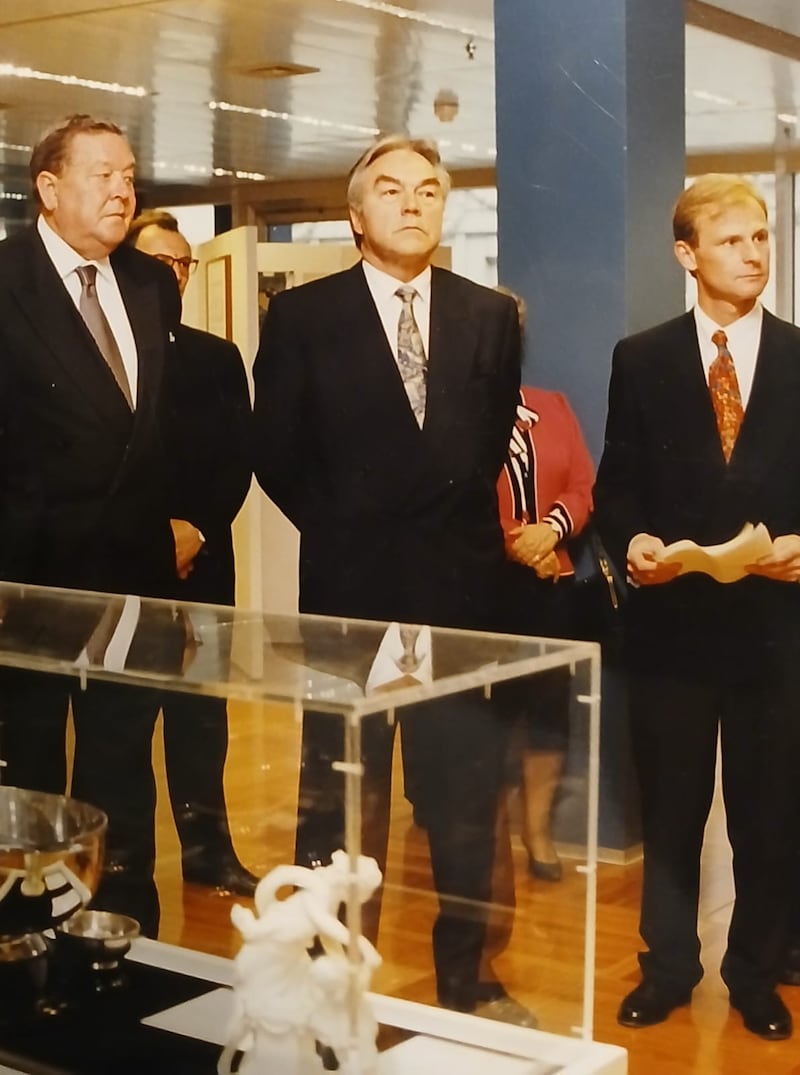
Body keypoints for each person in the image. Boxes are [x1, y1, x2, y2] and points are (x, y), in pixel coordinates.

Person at [252, 135, 524, 1019]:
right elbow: (277, 457)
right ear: (356, 213)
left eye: (430, 189)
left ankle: (468, 982)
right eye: (392, 190)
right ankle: (320, 980)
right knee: (339, 802)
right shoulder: (303, 317)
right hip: (350, 593)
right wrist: (352, 529)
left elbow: (484, 447)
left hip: (460, 597)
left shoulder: (490, 315)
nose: (414, 202)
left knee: (463, 806)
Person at [594, 173, 800, 1041]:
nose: (754, 254)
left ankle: (757, 974)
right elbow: (617, 484)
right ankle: (669, 968)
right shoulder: (641, 358)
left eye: (761, 238)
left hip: (777, 633)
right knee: (671, 817)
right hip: (672, 632)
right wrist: (634, 540)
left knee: (769, 815)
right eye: (732, 240)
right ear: (687, 254)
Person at [0, 114, 182, 935]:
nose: (123, 189)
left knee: (120, 766)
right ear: (48, 187)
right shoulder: (5, 279)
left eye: (130, 174)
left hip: (135, 583)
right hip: (27, 583)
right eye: (103, 173)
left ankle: (126, 934)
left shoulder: (149, 283)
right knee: (32, 772)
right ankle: (34, 940)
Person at [126, 210, 256, 896]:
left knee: (202, 718)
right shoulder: (107, 352)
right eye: (160, 262)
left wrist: (197, 529)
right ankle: (127, 863)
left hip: (204, 568)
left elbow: (239, 458)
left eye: (183, 263)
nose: (173, 274)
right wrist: (155, 535)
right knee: (124, 723)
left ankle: (209, 850)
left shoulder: (217, 357)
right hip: (128, 570)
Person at [497, 372, 594, 882]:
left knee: (548, 712)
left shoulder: (551, 404)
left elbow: (582, 484)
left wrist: (550, 531)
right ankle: (490, 840)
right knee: (488, 716)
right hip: (484, 586)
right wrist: (514, 541)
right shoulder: (459, 407)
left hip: (551, 584)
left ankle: (537, 833)